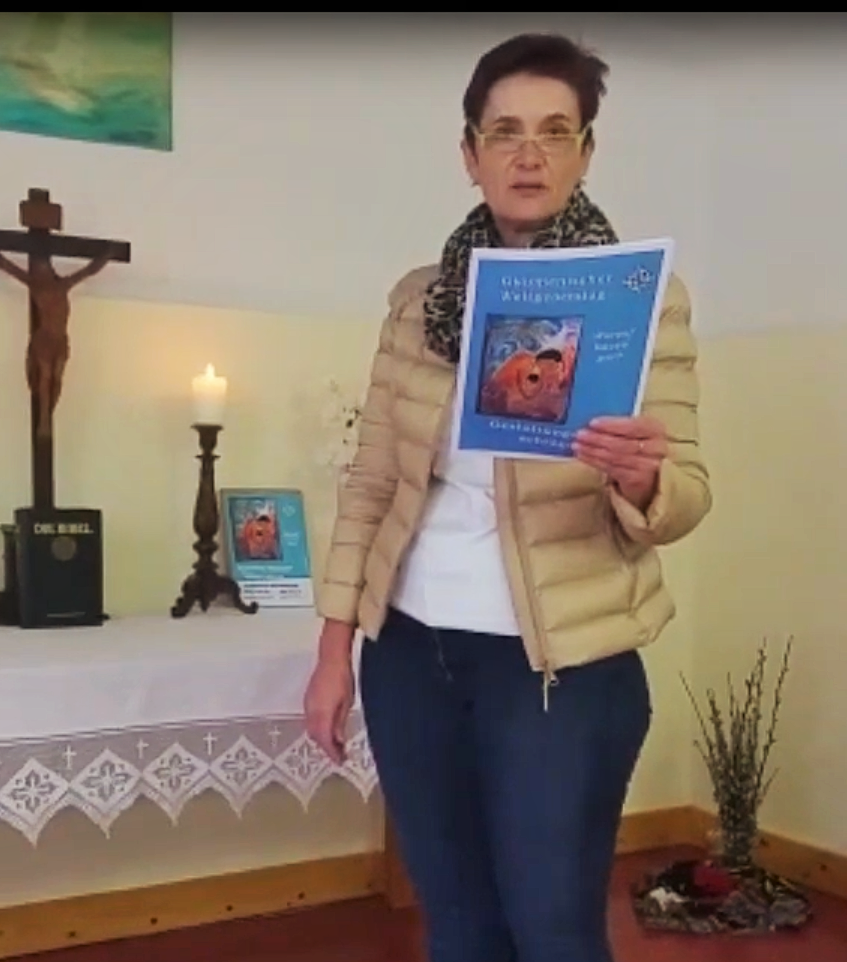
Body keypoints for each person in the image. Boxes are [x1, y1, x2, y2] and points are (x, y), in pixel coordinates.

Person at [302, 33, 711, 962]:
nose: (529, 154)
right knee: (457, 927)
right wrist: (333, 654)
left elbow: (685, 494)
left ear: (585, 152)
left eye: (554, 131)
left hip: (560, 670)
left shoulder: (644, 301)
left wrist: (640, 475)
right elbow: (370, 483)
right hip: (409, 656)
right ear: (469, 152)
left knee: (553, 930)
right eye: (505, 132)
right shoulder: (417, 303)